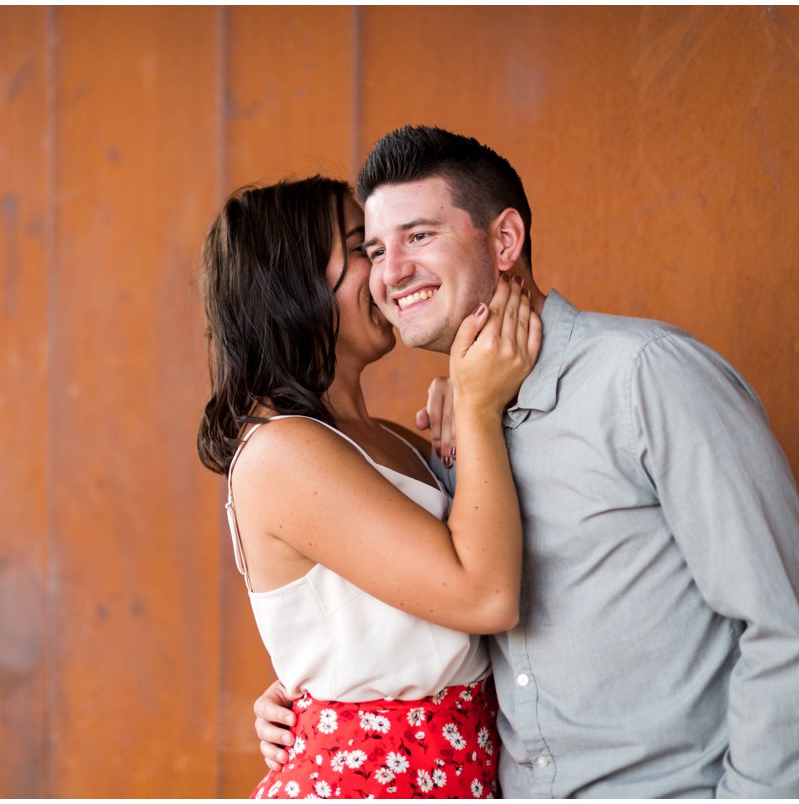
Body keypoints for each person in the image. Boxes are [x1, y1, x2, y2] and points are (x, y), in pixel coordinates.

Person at [253, 125, 799, 798]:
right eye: (375, 249)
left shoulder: (646, 379)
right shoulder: (448, 438)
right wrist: (318, 703)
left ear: (504, 241)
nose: (390, 272)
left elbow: (791, 634)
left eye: (418, 236)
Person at [197, 175, 541, 798]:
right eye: (366, 248)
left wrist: (464, 413)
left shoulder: (389, 437)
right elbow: (485, 595)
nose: (389, 273)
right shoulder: (282, 452)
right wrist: (478, 405)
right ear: (294, 285)